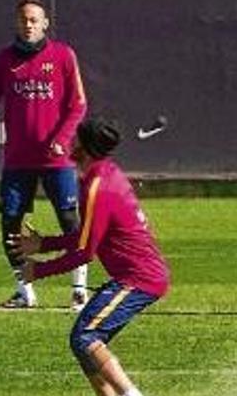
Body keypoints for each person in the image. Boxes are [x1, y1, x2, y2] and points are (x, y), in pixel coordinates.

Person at [12, 118, 170, 396]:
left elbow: (86, 252)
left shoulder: (98, 186)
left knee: (86, 336)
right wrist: (43, 244)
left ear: (83, 146)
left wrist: (39, 271)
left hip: (139, 280)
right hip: (135, 277)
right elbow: (88, 236)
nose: (70, 142)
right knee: (82, 341)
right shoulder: (102, 175)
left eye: (76, 138)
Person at [0, 0, 88, 309]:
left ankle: (79, 289)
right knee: (10, 221)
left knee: (69, 220)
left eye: (34, 19)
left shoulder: (63, 56)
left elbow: (78, 105)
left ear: (45, 23)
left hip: (57, 160)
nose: (29, 25)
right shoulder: (4, 60)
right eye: (23, 19)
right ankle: (25, 291)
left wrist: (62, 138)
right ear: (16, 23)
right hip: (18, 160)